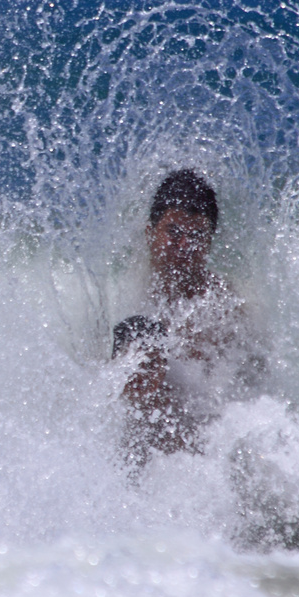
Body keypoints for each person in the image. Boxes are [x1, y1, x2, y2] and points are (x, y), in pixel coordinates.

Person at [114, 168, 248, 464]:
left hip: (198, 446)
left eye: (197, 235)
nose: (185, 246)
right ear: (150, 232)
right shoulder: (123, 291)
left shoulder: (223, 304)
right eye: (173, 232)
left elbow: (233, 388)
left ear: (211, 240)